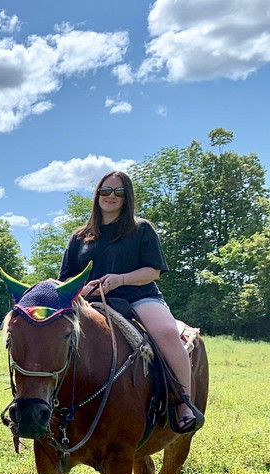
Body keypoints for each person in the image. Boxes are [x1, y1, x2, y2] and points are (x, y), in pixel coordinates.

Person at [59, 169, 204, 434]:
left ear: (127, 197)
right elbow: (65, 279)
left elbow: (154, 271)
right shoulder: (79, 236)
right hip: (88, 301)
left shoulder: (141, 229)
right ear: (97, 194)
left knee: (167, 333)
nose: (111, 196)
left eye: (118, 191)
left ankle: (184, 403)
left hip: (139, 296)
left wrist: (121, 279)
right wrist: (84, 288)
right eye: (105, 190)